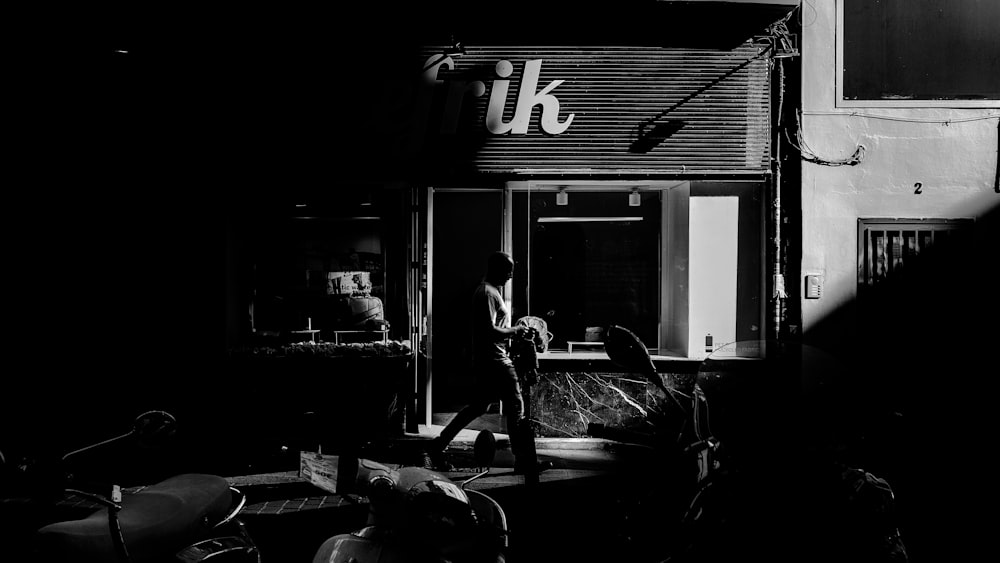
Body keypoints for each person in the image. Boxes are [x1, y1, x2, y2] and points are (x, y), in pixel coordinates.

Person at [424, 251, 544, 473]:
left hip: (488, 360)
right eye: (508, 270)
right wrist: (515, 330)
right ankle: (524, 461)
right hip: (496, 360)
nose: (510, 275)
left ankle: (438, 445)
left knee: (477, 406)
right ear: (496, 269)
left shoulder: (489, 291)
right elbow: (489, 331)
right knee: (516, 406)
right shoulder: (487, 293)